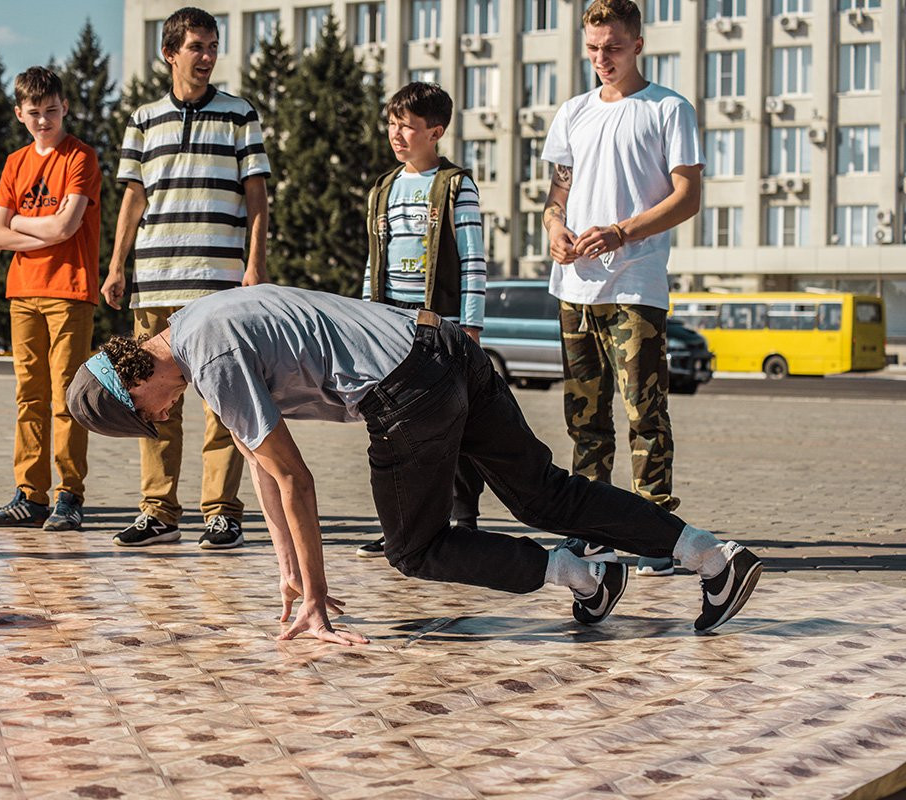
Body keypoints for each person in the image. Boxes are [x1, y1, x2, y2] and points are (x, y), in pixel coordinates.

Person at [66, 284, 763, 645]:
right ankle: (711, 557)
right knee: (544, 495)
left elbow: (297, 480)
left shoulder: (208, 357)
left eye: (147, 414)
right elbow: (259, 463)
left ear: (134, 384)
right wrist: (287, 571)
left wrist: (316, 597)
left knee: (415, 547)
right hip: (445, 346)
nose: (162, 418)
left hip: (406, 391)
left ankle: (581, 575)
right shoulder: (200, 324)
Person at [542, 0, 703, 577]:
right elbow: (556, 196)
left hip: (635, 284)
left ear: (638, 43)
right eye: (592, 49)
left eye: (611, 47)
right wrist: (555, 228)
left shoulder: (668, 109)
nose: (601, 59)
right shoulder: (574, 112)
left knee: (644, 411)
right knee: (584, 418)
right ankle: (592, 532)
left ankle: (656, 533)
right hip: (573, 289)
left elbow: (687, 197)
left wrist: (620, 232)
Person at [101, 6, 270, 551]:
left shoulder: (240, 114)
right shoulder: (142, 119)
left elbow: (258, 198)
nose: (207, 56)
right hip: (154, 280)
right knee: (151, 400)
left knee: (224, 403)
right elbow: (132, 196)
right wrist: (116, 263)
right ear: (170, 53)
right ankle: (158, 510)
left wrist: (256, 265)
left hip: (220, 284)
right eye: (196, 46)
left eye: (212, 45)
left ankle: (222, 511)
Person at [358, 81, 486, 559]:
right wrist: (364, 319)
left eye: (406, 126)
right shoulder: (384, 187)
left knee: (451, 424)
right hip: (393, 328)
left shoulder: (456, 185)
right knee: (393, 425)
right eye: (391, 124)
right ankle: (398, 526)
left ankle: (463, 518)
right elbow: (374, 260)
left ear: (435, 131)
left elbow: (473, 259)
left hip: (443, 326)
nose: (396, 134)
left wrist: (470, 326)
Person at [0, 66, 102, 531]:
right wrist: (44, 227)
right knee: (28, 396)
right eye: (34, 113)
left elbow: (66, 227)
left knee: (67, 396)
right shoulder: (15, 163)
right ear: (19, 113)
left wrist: (22, 227)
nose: (43, 121)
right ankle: (29, 495)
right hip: (23, 294)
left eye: (51, 111)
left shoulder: (81, 157)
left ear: (65, 107)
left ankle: (69, 495)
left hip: (70, 291)